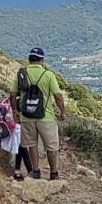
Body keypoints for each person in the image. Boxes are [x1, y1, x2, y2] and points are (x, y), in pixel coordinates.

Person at [9, 48, 67, 181]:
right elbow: (58, 96)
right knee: (51, 146)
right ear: (42, 60)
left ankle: (35, 171)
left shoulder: (21, 73)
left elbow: (12, 94)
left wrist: (15, 112)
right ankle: (54, 173)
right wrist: (62, 111)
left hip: (26, 116)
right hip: (46, 117)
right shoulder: (48, 75)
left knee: (32, 144)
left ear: (29, 59)